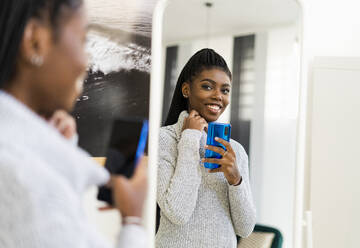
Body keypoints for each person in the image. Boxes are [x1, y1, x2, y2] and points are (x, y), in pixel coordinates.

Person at [0, 0, 147, 247]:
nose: (85, 62)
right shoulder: (31, 185)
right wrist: (132, 220)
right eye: (83, 41)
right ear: (35, 40)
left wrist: (53, 151)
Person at [156, 48, 256, 248]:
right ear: (186, 90)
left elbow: (245, 229)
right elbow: (177, 212)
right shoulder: (164, 139)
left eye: (225, 90)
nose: (218, 96)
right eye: (208, 87)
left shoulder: (236, 151)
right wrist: (190, 137)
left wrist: (236, 180)